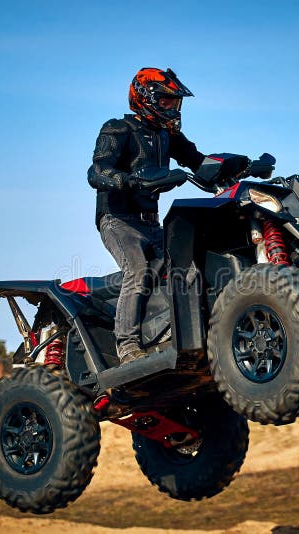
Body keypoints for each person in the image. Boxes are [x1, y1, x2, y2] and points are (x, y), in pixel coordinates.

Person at [87, 67, 206, 365]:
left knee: (188, 263)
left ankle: (171, 334)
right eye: (165, 101)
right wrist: (126, 180)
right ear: (145, 99)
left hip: (151, 221)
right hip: (118, 219)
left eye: (174, 103)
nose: (171, 108)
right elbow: (97, 170)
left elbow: (197, 161)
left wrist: (237, 166)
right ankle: (127, 346)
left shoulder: (167, 135)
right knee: (138, 270)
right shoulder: (119, 129)